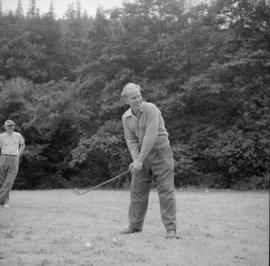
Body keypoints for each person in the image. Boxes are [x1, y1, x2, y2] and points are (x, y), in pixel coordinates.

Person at [120, 83, 177, 239]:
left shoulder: (151, 109)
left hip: (160, 152)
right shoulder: (126, 117)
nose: (138, 99)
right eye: (134, 97)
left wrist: (139, 159)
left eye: (139, 95)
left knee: (166, 191)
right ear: (126, 101)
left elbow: (150, 137)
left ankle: (171, 230)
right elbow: (130, 140)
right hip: (141, 155)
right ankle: (134, 227)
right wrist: (136, 159)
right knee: (137, 191)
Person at [0, 120, 25, 208]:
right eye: (9, 126)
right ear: (5, 127)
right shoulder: (1, 136)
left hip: (14, 158)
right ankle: (5, 202)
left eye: (12, 126)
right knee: (2, 181)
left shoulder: (18, 135)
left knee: (9, 181)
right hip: (3, 157)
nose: (11, 127)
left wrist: (18, 154)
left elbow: (22, 145)